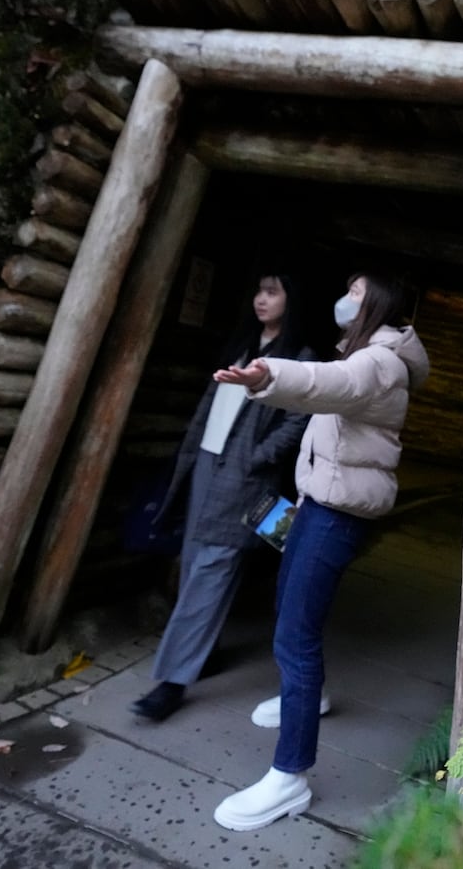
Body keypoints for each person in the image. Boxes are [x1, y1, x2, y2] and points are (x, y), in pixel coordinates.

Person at [208, 272, 429, 831]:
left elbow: (330, 383)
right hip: (319, 507)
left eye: (356, 293)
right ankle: (310, 697)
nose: (344, 299)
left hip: (335, 516)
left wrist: (268, 374)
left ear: (378, 303)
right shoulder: (372, 353)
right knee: (291, 611)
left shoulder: (378, 362)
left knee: (295, 636)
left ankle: (289, 778)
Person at [129, 274, 314, 723]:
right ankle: (202, 652)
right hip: (206, 469)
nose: (261, 299)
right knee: (194, 564)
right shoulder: (243, 344)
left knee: (212, 570)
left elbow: (298, 419)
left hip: (245, 479)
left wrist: (257, 457)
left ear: (293, 300)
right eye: (259, 289)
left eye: (273, 291)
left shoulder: (300, 358)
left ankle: (171, 683)